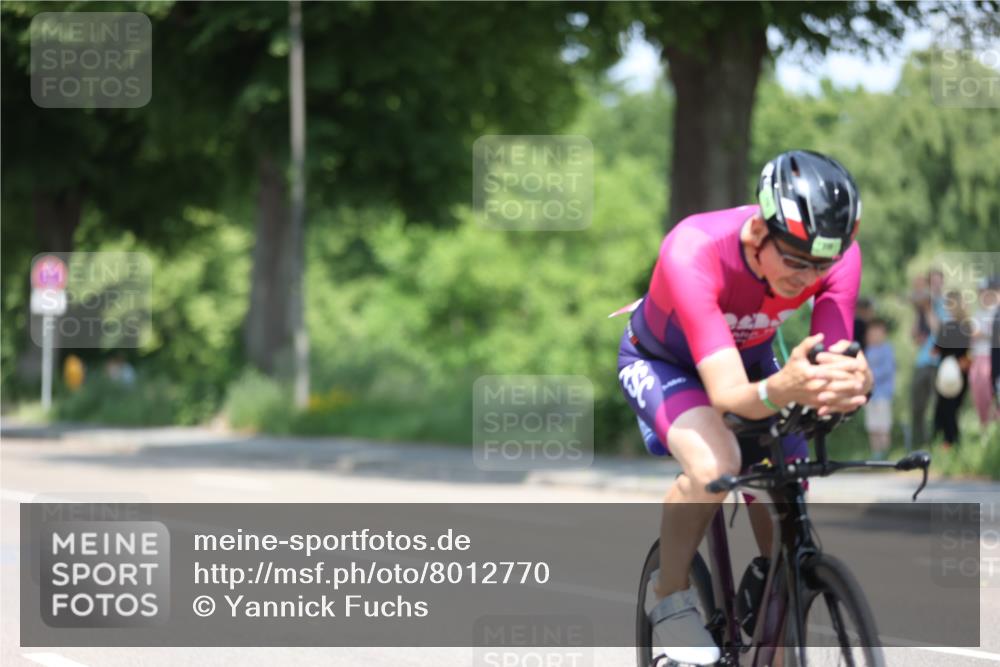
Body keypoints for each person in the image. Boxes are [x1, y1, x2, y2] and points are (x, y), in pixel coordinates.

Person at [613, 150, 871, 665]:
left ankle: (776, 602)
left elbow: (832, 354)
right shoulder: (694, 249)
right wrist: (786, 388)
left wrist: (849, 380)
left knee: (787, 477)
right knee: (717, 464)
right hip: (666, 363)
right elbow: (730, 395)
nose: (806, 277)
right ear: (758, 233)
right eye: (794, 261)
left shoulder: (839, 259)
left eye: (820, 265)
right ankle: (669, 593)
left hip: (751, 359)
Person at [933, 291, 971, 448]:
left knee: (947, 411)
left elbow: (936, 349)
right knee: (949, 411)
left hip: (953, 373)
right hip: (956, 372)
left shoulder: (951, 326)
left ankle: (949, 443)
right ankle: (950, 444)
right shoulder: (965, 326)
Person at [909, 274, 940, 449]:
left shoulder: (941, 307)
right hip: (921, 362)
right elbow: (914, 336)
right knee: (917, 407)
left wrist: (928, 309)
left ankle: (935, 442)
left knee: (937, 406)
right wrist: (918, 311)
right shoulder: (920, 312)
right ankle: (918, 444)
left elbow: (938, 329)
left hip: (937, 362)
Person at [863, 318, 895, 460]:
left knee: (883, 425)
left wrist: (871, 376)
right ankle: (875, 453)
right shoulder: (868, 350)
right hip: (870, 395)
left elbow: (887, 369)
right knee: (872, 425)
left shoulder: (887, 349)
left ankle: (885, 452)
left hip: (883, 394)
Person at [969, 277, 999, 425]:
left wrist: (983, 334)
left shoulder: (995, 312)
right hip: (978, 358)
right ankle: (985, 426)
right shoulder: (977, 314)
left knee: (992, 392)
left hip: (991, 357)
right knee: (979, 393)